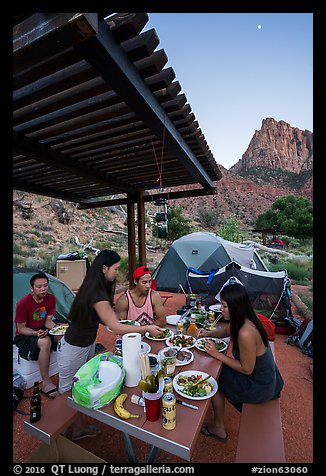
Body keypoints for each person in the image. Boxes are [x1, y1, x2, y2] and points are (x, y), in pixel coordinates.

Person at [56, 250, 163, 440]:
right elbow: (113, 326)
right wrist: (146, 328)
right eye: (115, 268)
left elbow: (107, 318)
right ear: (104, 268)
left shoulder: (98, 287)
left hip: (85, 344)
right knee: (68, 390)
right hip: (73, 348)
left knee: (84, 384)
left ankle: (79, 424)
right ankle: (66, 430)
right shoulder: (96, 293)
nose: (117, 272)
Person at [197, 282, 284, 442]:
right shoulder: (242, 318)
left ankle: (219, 428)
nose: (220, 309)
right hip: (265, 376)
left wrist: (217, 354)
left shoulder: (245, 332)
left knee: (214, 378)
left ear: (235, 307)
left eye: (224, 306)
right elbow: (225, 330)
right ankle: (218, 423)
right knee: (219, 369)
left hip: (259, 385)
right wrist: (207, 333)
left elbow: (247, 369)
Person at [14, 272, 61, 398]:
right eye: (39, 286)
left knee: (62, 336)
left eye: (45, 285)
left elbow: (48, 322)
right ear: (32, 288)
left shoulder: (51, 299)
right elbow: (21, 328)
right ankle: (46, 382)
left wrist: (58, 329)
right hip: (25, 335)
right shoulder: (23, 303)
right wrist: (36, 333)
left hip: (42, 329)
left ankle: (66, 373)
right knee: (45, 341)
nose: (43, 289)